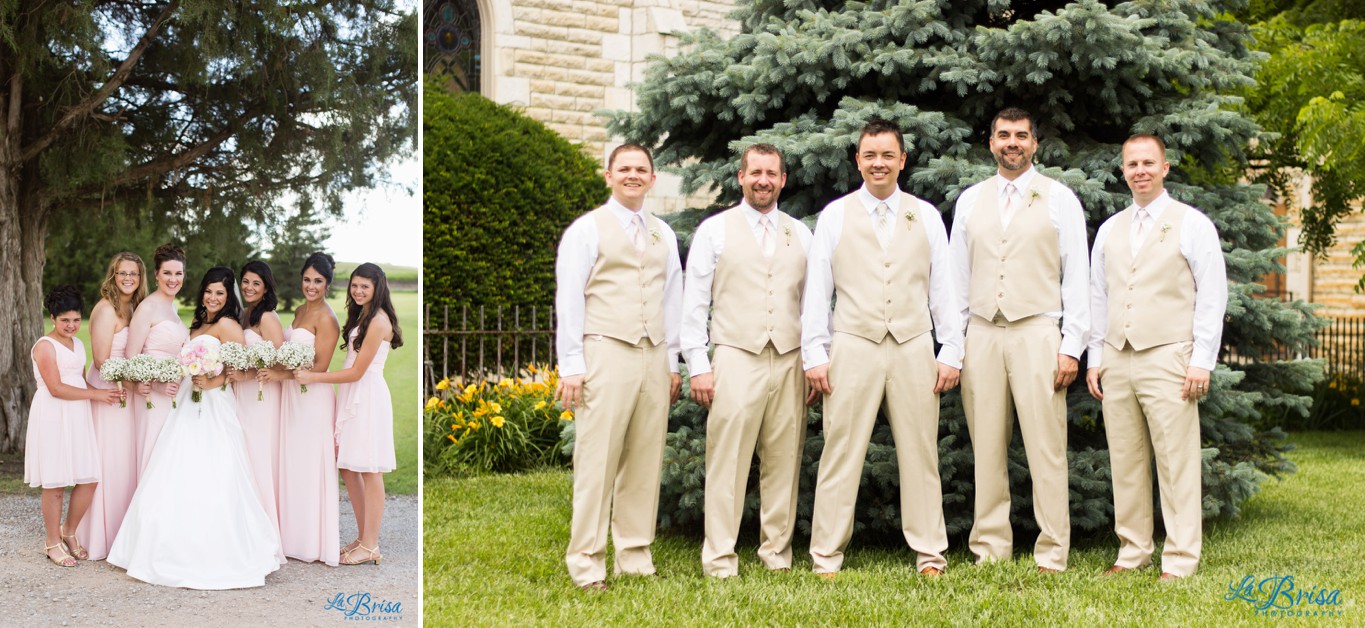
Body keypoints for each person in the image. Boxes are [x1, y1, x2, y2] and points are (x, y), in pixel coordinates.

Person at [802, 119, 963, 578]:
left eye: (887, 155)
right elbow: (818, 291)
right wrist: (815, 353)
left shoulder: (926, 215)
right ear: (858, 160)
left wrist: (950, 349)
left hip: (913, 345)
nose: (878, 163)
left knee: (921, 453)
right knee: (840, 451)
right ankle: (826, 556)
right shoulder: (834, 216)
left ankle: (930, 554)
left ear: (902, 161)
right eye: (870, 155)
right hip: (853, 345)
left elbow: (943, 289)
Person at [948, 107, 1090, 573]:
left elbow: (1078, 278)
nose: (1013, 142)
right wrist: (958, 342)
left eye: (1021, 136)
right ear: (990, 143)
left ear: (1035, 144)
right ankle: (990, 547)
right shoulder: (969, 201)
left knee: (1046, 448)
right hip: (983, 334)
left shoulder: (1059, 199)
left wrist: (1071, 346)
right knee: (986, 446)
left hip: (1037, 333)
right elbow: (956, 281)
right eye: (1004, 135)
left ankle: (1052, 550)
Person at [1086, 134, 1227, 581]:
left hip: (1169, 356)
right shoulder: (1110, 229)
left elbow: (1212, 295)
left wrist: (1201, 359)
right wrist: (1095, 357)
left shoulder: (1192, 224)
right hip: (1117, 357)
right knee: (1125, 460)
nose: (1140, 170)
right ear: (1122, 170)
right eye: (1132, 164)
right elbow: (1098, 296)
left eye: (1149, 162)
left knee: (1176, 461)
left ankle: (1182, 558)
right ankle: (1132, 552)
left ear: (1165, 168)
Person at [554, 143, 683, 592]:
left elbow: (673, 299)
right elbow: (569, 298)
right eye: (624, 168)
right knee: (598, 459)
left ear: (652, 178)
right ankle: (587, 564)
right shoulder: (586, 230)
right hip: (606, 350)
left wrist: (672, 360)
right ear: (608, 176)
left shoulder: (663, 233)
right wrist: (571, 364)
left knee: (645, 459)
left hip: (654, 354)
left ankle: (635, 555)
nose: (633, 175)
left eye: (641, 169)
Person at [682, 143, 812, 578]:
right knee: (728, 461)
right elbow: (695, 303)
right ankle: (720, 558)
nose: (763, 180)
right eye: (755, 172)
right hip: (736, 356)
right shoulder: (714, 230)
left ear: (782, 180)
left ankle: (777, 555)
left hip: (791, 358)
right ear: (741, 177)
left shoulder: (801, 233)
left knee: (784, 460)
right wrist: (698, 364)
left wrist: (814, 358)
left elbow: (815, 305)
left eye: (771, 173)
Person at [108, 267, 282, 589]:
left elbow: (241, 366)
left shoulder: (229, 325)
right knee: (174, 466)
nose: (212, 297)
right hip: (187, 400)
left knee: (214, 471)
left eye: (220, 293)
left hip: (215, 404)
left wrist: (212, 380)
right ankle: (164, 545)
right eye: (208, 291)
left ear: (229, 296)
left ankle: (216, 550)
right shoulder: (199, 323)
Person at [297, 262, 404, 566]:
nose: (357, 291)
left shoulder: (379, 321)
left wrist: (313, 377)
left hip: (366, 396)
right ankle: (362, 537)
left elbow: (357, 372)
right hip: (353, 394)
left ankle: (371, 544)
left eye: (364, 287)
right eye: (354, 285)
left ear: (377, 288)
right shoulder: (363, 316)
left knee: (370, 469)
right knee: (348, 467)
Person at [26, 286, 122, 567]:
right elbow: (55, 387)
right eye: (65, 320)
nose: (71, 325)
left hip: (78, 414)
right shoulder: (45, 346)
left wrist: (108, 394)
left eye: (76, 320)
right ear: (53, 318)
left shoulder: (78, 344)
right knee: (55, 483)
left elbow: (80, 382)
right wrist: (96, 395)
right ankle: (52, 541)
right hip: (53, 415)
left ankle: (69, 530)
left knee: (89, 477)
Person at [266, 251, 341, 566]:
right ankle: (291, 538)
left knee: (309, 466)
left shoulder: (327, 319)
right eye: (307, 279)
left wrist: (279, 374)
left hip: (312, 399)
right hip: (291, 397)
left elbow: (320, 368)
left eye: (318, 281)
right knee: (291, 463)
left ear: (327, 284)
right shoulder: (297, 311)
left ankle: (311, 542)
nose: (311, 286)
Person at [77, 252, 147, 561]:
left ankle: (124, 534)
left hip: (128, 388)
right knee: (109, 461)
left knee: (125, 461)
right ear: (113, 276)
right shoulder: (106, 309)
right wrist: (130, 384)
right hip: (110, 389)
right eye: (122, 273)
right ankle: (97, 536)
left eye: (134, 273)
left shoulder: (134, 308)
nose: (128, 278)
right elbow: (103, 359)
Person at [229, 260, 286, 548]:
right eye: (246, 281)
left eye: (256, 283)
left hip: (261, 396)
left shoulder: (267, 318)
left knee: (258, 457)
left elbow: (277, 360)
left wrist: (246, 373)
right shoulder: (244, 315)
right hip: (243, 395)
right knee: (245, 458)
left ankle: (266, 535)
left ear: (265, 288)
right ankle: (246, 527)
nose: (249, 287)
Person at [125, 244, 189, 475]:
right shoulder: (147, 308)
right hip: (153, 395)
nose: (173, 279)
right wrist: (158, 384)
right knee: (155, 456)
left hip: (174, 394)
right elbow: (131, 357)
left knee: (170, 459)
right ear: (156, 274)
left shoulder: (172, 308)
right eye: (167, 273)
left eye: (178, 273)